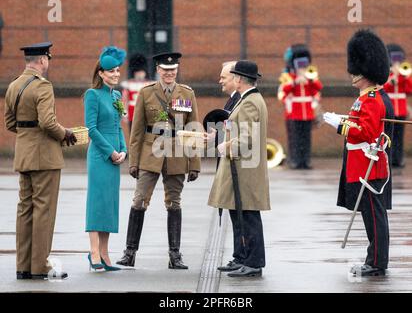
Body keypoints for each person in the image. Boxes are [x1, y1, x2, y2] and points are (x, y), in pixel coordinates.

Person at [117, 52, 201, 269]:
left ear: (177, 71)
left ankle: (175, 255)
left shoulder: (187, 93)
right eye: (165, 70)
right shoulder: (146, 93)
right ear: (158, 70)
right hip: (150, 152)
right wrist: (133, 161)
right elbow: (136, 132)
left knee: (174, 203)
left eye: (173, 70)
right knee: (139, 201)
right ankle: (130, 252)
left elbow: (193, 129)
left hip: (176, 152)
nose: (169, 74)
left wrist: (195, 163)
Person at [323, 29, 394, 276]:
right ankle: (373, 259)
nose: (352, 74)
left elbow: (365, 131)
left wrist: (340, 126)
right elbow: (360, 123)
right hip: (359, 163)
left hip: (368, 165)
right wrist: (343, 120)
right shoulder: (363, 99)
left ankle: (376, 263)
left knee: (374, 217)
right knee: (369, 216)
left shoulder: (372, 99)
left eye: (356, 71)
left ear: (366, 73)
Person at [4, 42, 76, 280]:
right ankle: (40, 266)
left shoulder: (14, 85)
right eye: (48, 59)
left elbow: (10, 124)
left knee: (25, 210)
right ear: (43, 60)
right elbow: (47, 122)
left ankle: (23, 266)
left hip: (24, 154)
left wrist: (28, 136)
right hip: (44, 156)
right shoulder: (43, 87)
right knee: (44, 211)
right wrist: (65, 134)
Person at [208, 60, 270, 277]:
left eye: (234, 76)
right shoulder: (247, 100)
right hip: (240, 169)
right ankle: (242, 257)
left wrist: (227, 146)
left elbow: (248, 137)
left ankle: (253, 262)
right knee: (240, 214)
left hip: (245, 169)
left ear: (240, 79)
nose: (232, 79)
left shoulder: (251, 102)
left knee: (249, 215)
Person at [83, 46, 128, 272]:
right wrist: (111, 151)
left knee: (110, 204)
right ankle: (93, 253)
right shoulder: (92, 95)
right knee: (97, 202)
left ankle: (105, 253)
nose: (115, 74)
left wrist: (124, 150)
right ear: (101, 73)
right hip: (100, 155)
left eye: (118, 70)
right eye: (110, 71)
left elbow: (118, 127)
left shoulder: (117, 96)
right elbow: (91, 129)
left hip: (115, 156)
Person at [278, 44, 323, 169]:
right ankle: (295, 161)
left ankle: (305, 161)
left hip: (307, 113)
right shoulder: (287, 77)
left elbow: (318, 89)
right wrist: (294, 82)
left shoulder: (311, 77)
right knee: (295, 139)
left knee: (306, 139)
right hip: (294, 113)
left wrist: (311, 80)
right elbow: (282, 93)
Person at [383, 44, 412, 168]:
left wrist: (404, 77)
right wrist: (393, 77)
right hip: (390, 109)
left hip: (401, 110)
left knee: (399, 137)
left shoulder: (403, 75)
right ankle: (388, 158)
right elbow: (384, 89)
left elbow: (409, 90)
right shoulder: (387, 75)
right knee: (389, 136)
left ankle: (398, 159)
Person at [121, 53, 154, 132]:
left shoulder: (149, 84)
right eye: (138, 72)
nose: (140, 74)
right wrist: (124, 113)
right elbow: (124, 100)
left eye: (141, 72)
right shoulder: (128, 84)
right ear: (134, 73)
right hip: (132, 112)